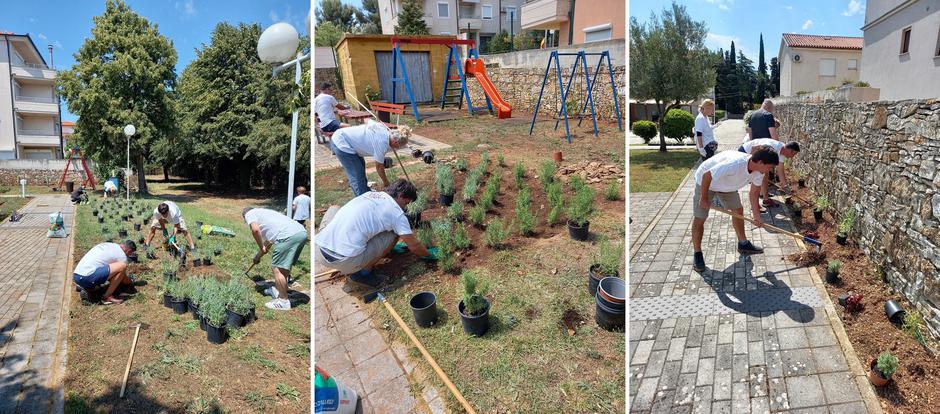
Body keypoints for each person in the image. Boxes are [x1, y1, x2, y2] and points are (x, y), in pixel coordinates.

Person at [315, 179, 434, 289]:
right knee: (394, 234)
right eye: (406, 203)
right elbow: (414, 246)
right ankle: (362, 274)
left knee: (334, 208)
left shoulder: (370, 194)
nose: (405, 207)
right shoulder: (397, 214)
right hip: (344, 260)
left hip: (318, 250)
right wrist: (428, 254)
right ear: (400, 196)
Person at [691, 148, 780, 272]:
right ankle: (697, 253)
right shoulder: (735, 164)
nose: (770, 171)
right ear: (760, 162)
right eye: (769, 167)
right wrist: (704, 198)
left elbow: (754, 194)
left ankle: (743, 244)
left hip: (726, 185)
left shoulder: (759, 172)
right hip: (706, 182)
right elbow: (707, 175)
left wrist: (757, 217)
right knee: (700, 217)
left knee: (738, 210)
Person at [243, 207, 308, 310]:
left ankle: (283, 301)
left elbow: (255, 230)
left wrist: (261, 247)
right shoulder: (264, 213)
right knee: (283, 267)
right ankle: (280, 290)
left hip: (288, 236)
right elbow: (268, 243)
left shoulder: (249, 214)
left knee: (277, 269)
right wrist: (258, 256)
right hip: (301, 232)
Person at [330, 120, 411, 196]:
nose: (397, 148)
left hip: (345, 138)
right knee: (357, 174)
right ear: (395, 142)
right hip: (342, 143)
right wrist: (386, 182)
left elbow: (368, 120)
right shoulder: (382, 144)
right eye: (398, 146)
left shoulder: (383, 128)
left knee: (361, 166)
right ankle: (362, 198)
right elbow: (379, 167)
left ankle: (366, 192)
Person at [73, 240, 137, 305]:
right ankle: (107, 297)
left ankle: (87, 288)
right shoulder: (122, 255)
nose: (129, 255)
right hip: (87, 276)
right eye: (130, 254)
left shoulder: (110, 245)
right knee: (123, 266)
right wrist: (129, 282)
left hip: (77, 275)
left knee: (98, 288)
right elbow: (122, 274)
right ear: (129, 251)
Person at [739, 139, 801, 205]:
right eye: (794, 154)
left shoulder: (782, 153)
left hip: (756, 157)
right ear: (790, 151)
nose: (792, 157)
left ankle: (762, 194)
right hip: (745, 152)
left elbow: (780, 170)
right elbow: (755, 151)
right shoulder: (772, 146)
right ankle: (764, 200)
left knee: (764, 175)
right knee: (762, 175)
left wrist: (785, 186)